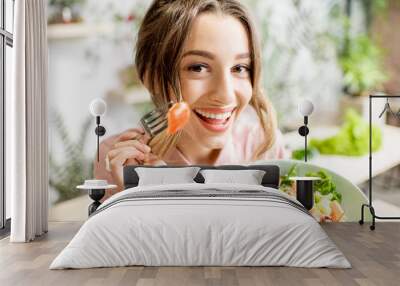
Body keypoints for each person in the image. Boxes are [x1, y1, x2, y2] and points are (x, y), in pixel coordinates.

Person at [94, 0, 288, 201]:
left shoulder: (264, 146)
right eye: (198, 68)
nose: (226, 95)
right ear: (151, 77)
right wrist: (131, 195)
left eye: (239, 68)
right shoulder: (117, 158)